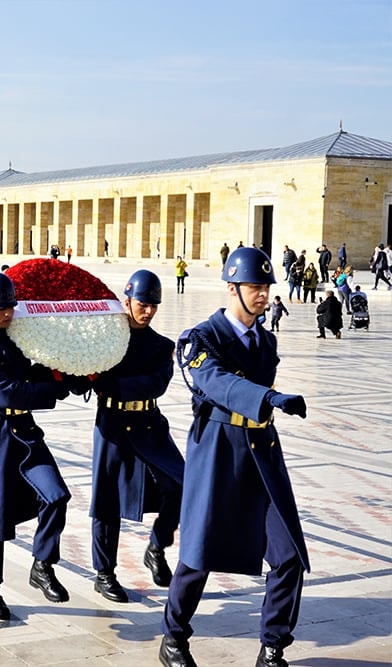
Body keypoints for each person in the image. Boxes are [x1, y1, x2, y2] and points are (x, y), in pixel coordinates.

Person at [160, 246, 309, 667]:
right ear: (232, 288)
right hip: (218, 453)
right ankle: (173, 637)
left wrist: (268, 404)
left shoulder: (266, 340)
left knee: (289, 555)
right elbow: (214, 381)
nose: (263, 295)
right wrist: (267, 397)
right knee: (198, 554)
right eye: (254, 286)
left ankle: (273, 647)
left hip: (261, 454)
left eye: (266, 287)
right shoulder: (200, 338)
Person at [0, 271, 78, 621]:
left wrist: (69, 372)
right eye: (1, 308)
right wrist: (54, 391)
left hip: (24, 432)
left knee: (56, 496)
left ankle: (42, 564)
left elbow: (34, 373)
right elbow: (6, 392)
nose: (8, 313)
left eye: (11, 307)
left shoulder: (15, 341)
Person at [87, 270, 183, 603]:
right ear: (127, 301)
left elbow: (156, 384)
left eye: (154, 305)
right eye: (143, 304)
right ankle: (104, 573)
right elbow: (85, 377)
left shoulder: (161, 345)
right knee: (106, 501)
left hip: (148, 422)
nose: (149, 311)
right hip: (113, 424)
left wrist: (109, 383)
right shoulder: (106, 340)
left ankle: (157, 546)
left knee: (182, 484)